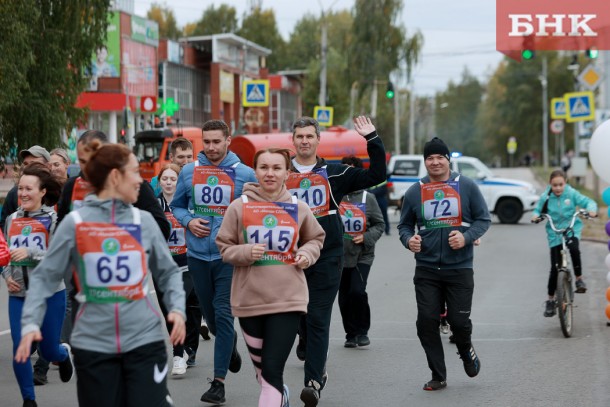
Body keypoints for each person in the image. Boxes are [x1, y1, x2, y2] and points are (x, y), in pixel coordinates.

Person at [15, 140, 186, 407]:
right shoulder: (75, 224)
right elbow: (46, 276)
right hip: (93, 344)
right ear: (115, 177)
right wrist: (30, 325)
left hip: (144, 340)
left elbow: (168, 272)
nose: (140, 180)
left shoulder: (144, 221)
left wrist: (177, 308)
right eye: (134, 172)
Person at [287, 115, 386, 406]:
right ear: (293, 141)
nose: (304, 141)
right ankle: (304, 340)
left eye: (309, 136)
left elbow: (376, 175)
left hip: (328, 256)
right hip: (289, 258)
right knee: (298, 315)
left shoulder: (335, 173)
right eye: (299, 136)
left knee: (318, 317)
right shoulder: (280, 173)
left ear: (318, 140)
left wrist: (372, 139)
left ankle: (314, 381)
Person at [217, 147, 326, 407]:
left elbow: (316, 238)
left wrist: (307, 254)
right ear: (255, 171)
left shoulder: (297, 207)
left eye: (277, 168)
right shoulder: (238, 207)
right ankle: (281, 396)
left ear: (287, 173)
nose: (270, 173)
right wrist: (245, 251)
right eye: (264, 167)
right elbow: (224, 247)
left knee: (271, 371)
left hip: (288, 299)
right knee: (262, 373)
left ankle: (274, 395)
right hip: (249, 300)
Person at [171, 119, 256, 404]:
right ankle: (228, 344)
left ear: (228, 140)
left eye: (216, 141)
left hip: (227, 257)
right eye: (206, 142)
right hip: (196, 255)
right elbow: (177, 205)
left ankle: (218, 383)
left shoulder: (245, 173)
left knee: (222, 313)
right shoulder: (188, 171)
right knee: (215, 321)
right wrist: (188, 220)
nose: (211, 147)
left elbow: (256, 210)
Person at [397, 137, 490, 391]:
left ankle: (465, 348)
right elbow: (404, 225)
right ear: (425, 161)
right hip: (426, 268)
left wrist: (466, 237)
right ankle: (438, 375)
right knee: (426, 322)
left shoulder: (467, 186)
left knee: (459, 324)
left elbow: (484, 219)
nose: (435, 162)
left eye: (440, 157)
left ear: (448, 159)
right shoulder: (415, 190)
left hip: (459, 268)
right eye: (430, 158)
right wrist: (409, 240)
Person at [3, 163, 72, 407]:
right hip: (19, 294)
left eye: (29, 188)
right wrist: (6, 275)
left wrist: (31, 251)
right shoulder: (11, 219)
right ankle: (28, 400)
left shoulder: (53, 219)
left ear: (42, 191)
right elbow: (6, 253)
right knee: (20, 349)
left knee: (49, 350)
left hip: (50, 294)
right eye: (20, 188)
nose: (23, 193)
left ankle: (63, 356)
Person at [156, 163, 202, 375]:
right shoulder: (154, 206)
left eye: (172, 179)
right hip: (163, 268)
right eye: (164, 178)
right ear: (159, 182)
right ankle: (184, 348)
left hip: (187, 265)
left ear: (179, 182)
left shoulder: (189, 205)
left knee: (179, 306)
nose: (168, 182)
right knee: (169, 313)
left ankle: (178, 356)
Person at [531, 169, 597, 317]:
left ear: (565, 183)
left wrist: (591, 210)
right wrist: (535, 216)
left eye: (560, 184)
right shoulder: (546, 197)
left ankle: (579, 279)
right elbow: (537, 210)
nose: (558, 188)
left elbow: (588, 202)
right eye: (555, 185)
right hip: (554, 232)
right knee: (555, 267)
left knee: (574, 248)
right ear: (550, 184)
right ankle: (550, 300)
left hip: (571, 228)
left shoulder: (571, 193)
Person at [338, 156, 385, 349]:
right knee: (344, 296)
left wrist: (365, 237)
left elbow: (380, 224)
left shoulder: (368, 198)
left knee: (357, 291)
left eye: (352, 170)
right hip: (339, 256)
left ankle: (362, 331)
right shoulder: (335, 195)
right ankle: (350, 334)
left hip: (362, 254)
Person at [0, 146, 51, 231]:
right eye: (26, 163)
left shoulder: (58, 192)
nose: (28, 167)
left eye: (34, 163)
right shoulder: (14, 193)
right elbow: (3, 225)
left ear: (48, 166)